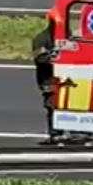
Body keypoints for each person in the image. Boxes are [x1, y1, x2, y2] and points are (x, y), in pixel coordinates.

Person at [32, 8, 61, 145]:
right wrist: (57, 60)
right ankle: (54, 134)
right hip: (48, 79)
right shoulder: (42, 39)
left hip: (66, 79)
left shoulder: (67, 36)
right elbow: (40, 59)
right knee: (51, 105)